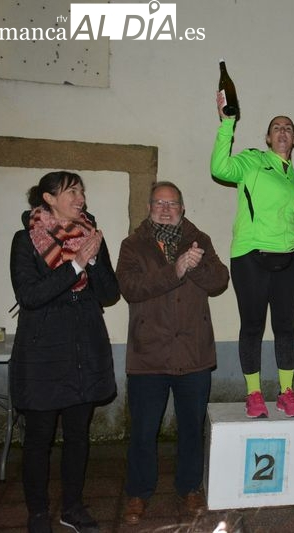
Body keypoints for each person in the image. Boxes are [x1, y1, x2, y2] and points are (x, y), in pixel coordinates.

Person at [10, 171, 119, 533]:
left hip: (83, 347)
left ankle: (72, 508)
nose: (80, 198)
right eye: (71, 191)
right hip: (43, 351)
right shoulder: (24, 241)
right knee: (39, 438)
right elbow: (30, 295)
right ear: (48, 198)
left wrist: (93, 260)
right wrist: (74, 265)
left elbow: (108, 294)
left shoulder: (91, 237)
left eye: (81, 191)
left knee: (78, 435)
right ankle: (38, 512)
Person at [116, 181, 229, 523]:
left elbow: (221, 280)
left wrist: (196, 266)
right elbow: (131, 289)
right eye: (159, 203)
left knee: (192, 428)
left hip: (192, 351)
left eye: (173, 203)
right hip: (148, 354)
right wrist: (175, 270)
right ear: (149, 207)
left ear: (183, 208)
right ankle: (137, 493)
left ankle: (190, 488)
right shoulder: (133, 245)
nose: (166, 208)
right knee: (144, 430)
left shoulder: (200, 240)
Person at [211, 91, 294, 419]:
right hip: (251, 256)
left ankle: (286, 393)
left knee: (286, 327)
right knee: (253, 325)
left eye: (288, 127)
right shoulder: (252, 160)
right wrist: (227, 124)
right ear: (268, 137)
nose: (283, 131)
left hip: (289, 258)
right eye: (277, 127)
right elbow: (219, 167)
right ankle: (254, 394)